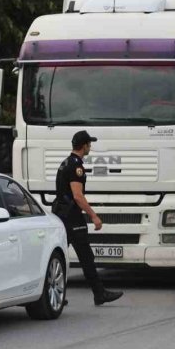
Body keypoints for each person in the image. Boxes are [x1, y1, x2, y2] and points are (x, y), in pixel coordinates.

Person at [52, 131, 123, 306]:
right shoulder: (76, 167)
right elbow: (77, 196)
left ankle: (54, 292)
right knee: (86, 257)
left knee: (56, 256)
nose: (90, 146)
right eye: (89, 144)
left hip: (61, 214)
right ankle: (99, 294)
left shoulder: (65, 163)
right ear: (84, 145)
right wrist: (94, 216)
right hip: (72, 217)